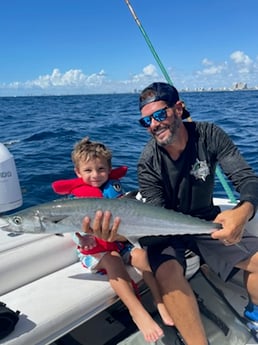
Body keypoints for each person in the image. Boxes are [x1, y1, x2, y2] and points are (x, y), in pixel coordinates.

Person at [81, 83, 258, 345]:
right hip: (164, 231)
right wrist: (117, 233)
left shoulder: (209, 134)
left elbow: (246, 179)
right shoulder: (148, 161)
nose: (154, 124)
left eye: (160, 115)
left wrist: (243, 211)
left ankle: (254, 316)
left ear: (179, 108)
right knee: (168, 275)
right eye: (146, 121)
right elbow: (157, 217)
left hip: (206, 223)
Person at [52, 137, 168, 342]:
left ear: (109, 169)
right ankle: (137, 312)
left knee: (143, 256)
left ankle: (159, 301)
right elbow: (70, 225)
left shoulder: (114, 189)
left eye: (101, 169)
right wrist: (83, 238)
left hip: (119, 242)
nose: (95, 175)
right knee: (113, 259)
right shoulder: (76, 198)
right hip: (94, 251)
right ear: (78, 172)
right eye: (88, 171)